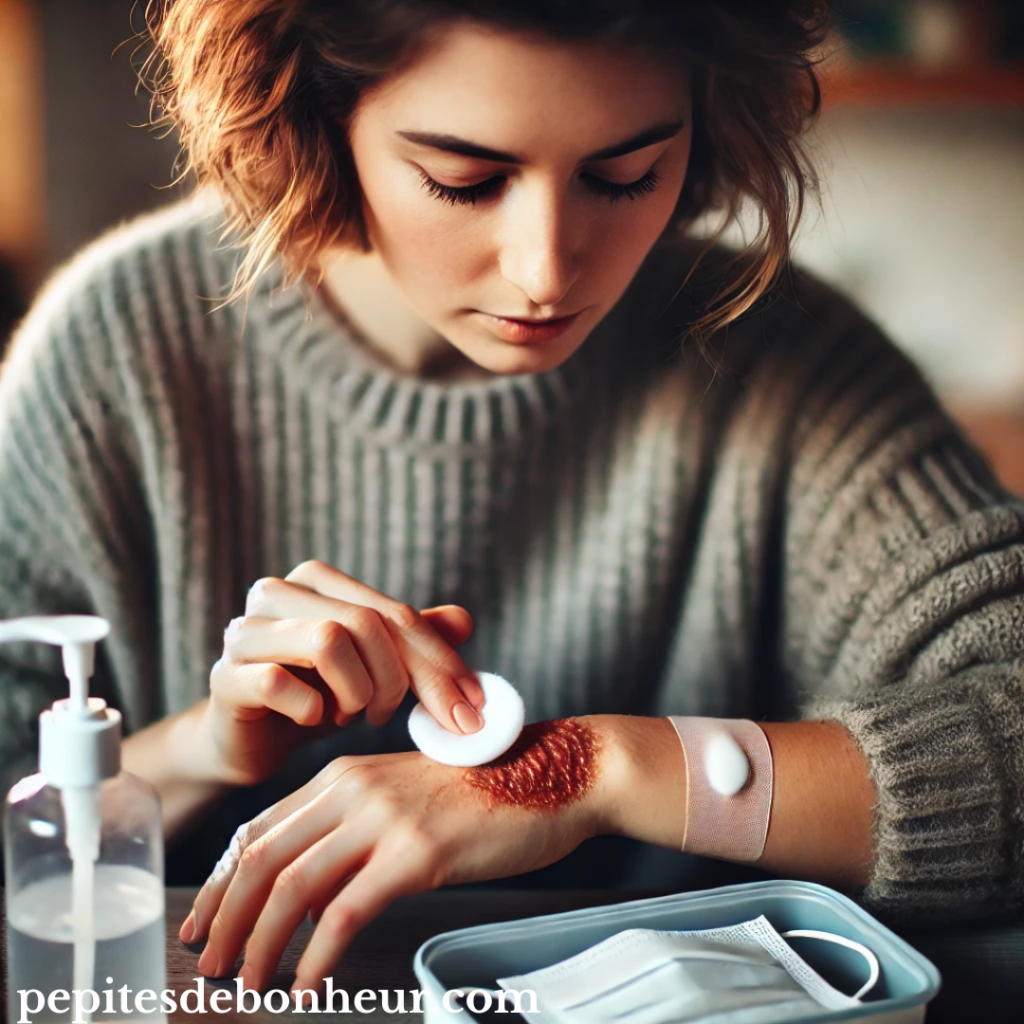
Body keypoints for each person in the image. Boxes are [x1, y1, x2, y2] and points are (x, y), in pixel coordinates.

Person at [1, 0, 1022, 1000]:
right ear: (315, 113)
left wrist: (599, 772)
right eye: (465, 180)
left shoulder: (779, 356)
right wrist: (203, 749)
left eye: (625, 175)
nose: (546, 270)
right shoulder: (113, 353)